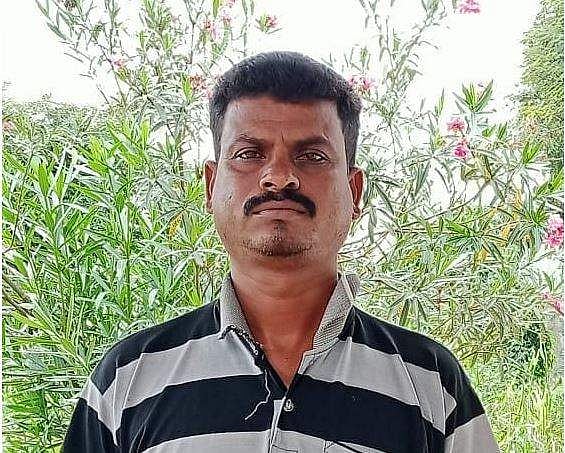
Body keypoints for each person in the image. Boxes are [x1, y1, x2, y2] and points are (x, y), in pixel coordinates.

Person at [63, 51, 499, 453]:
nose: (278, 177)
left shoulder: (432, 385)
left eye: (312, 156)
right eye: (249, 154)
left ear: (354, 191)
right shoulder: (128, 381)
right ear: (211, 186)